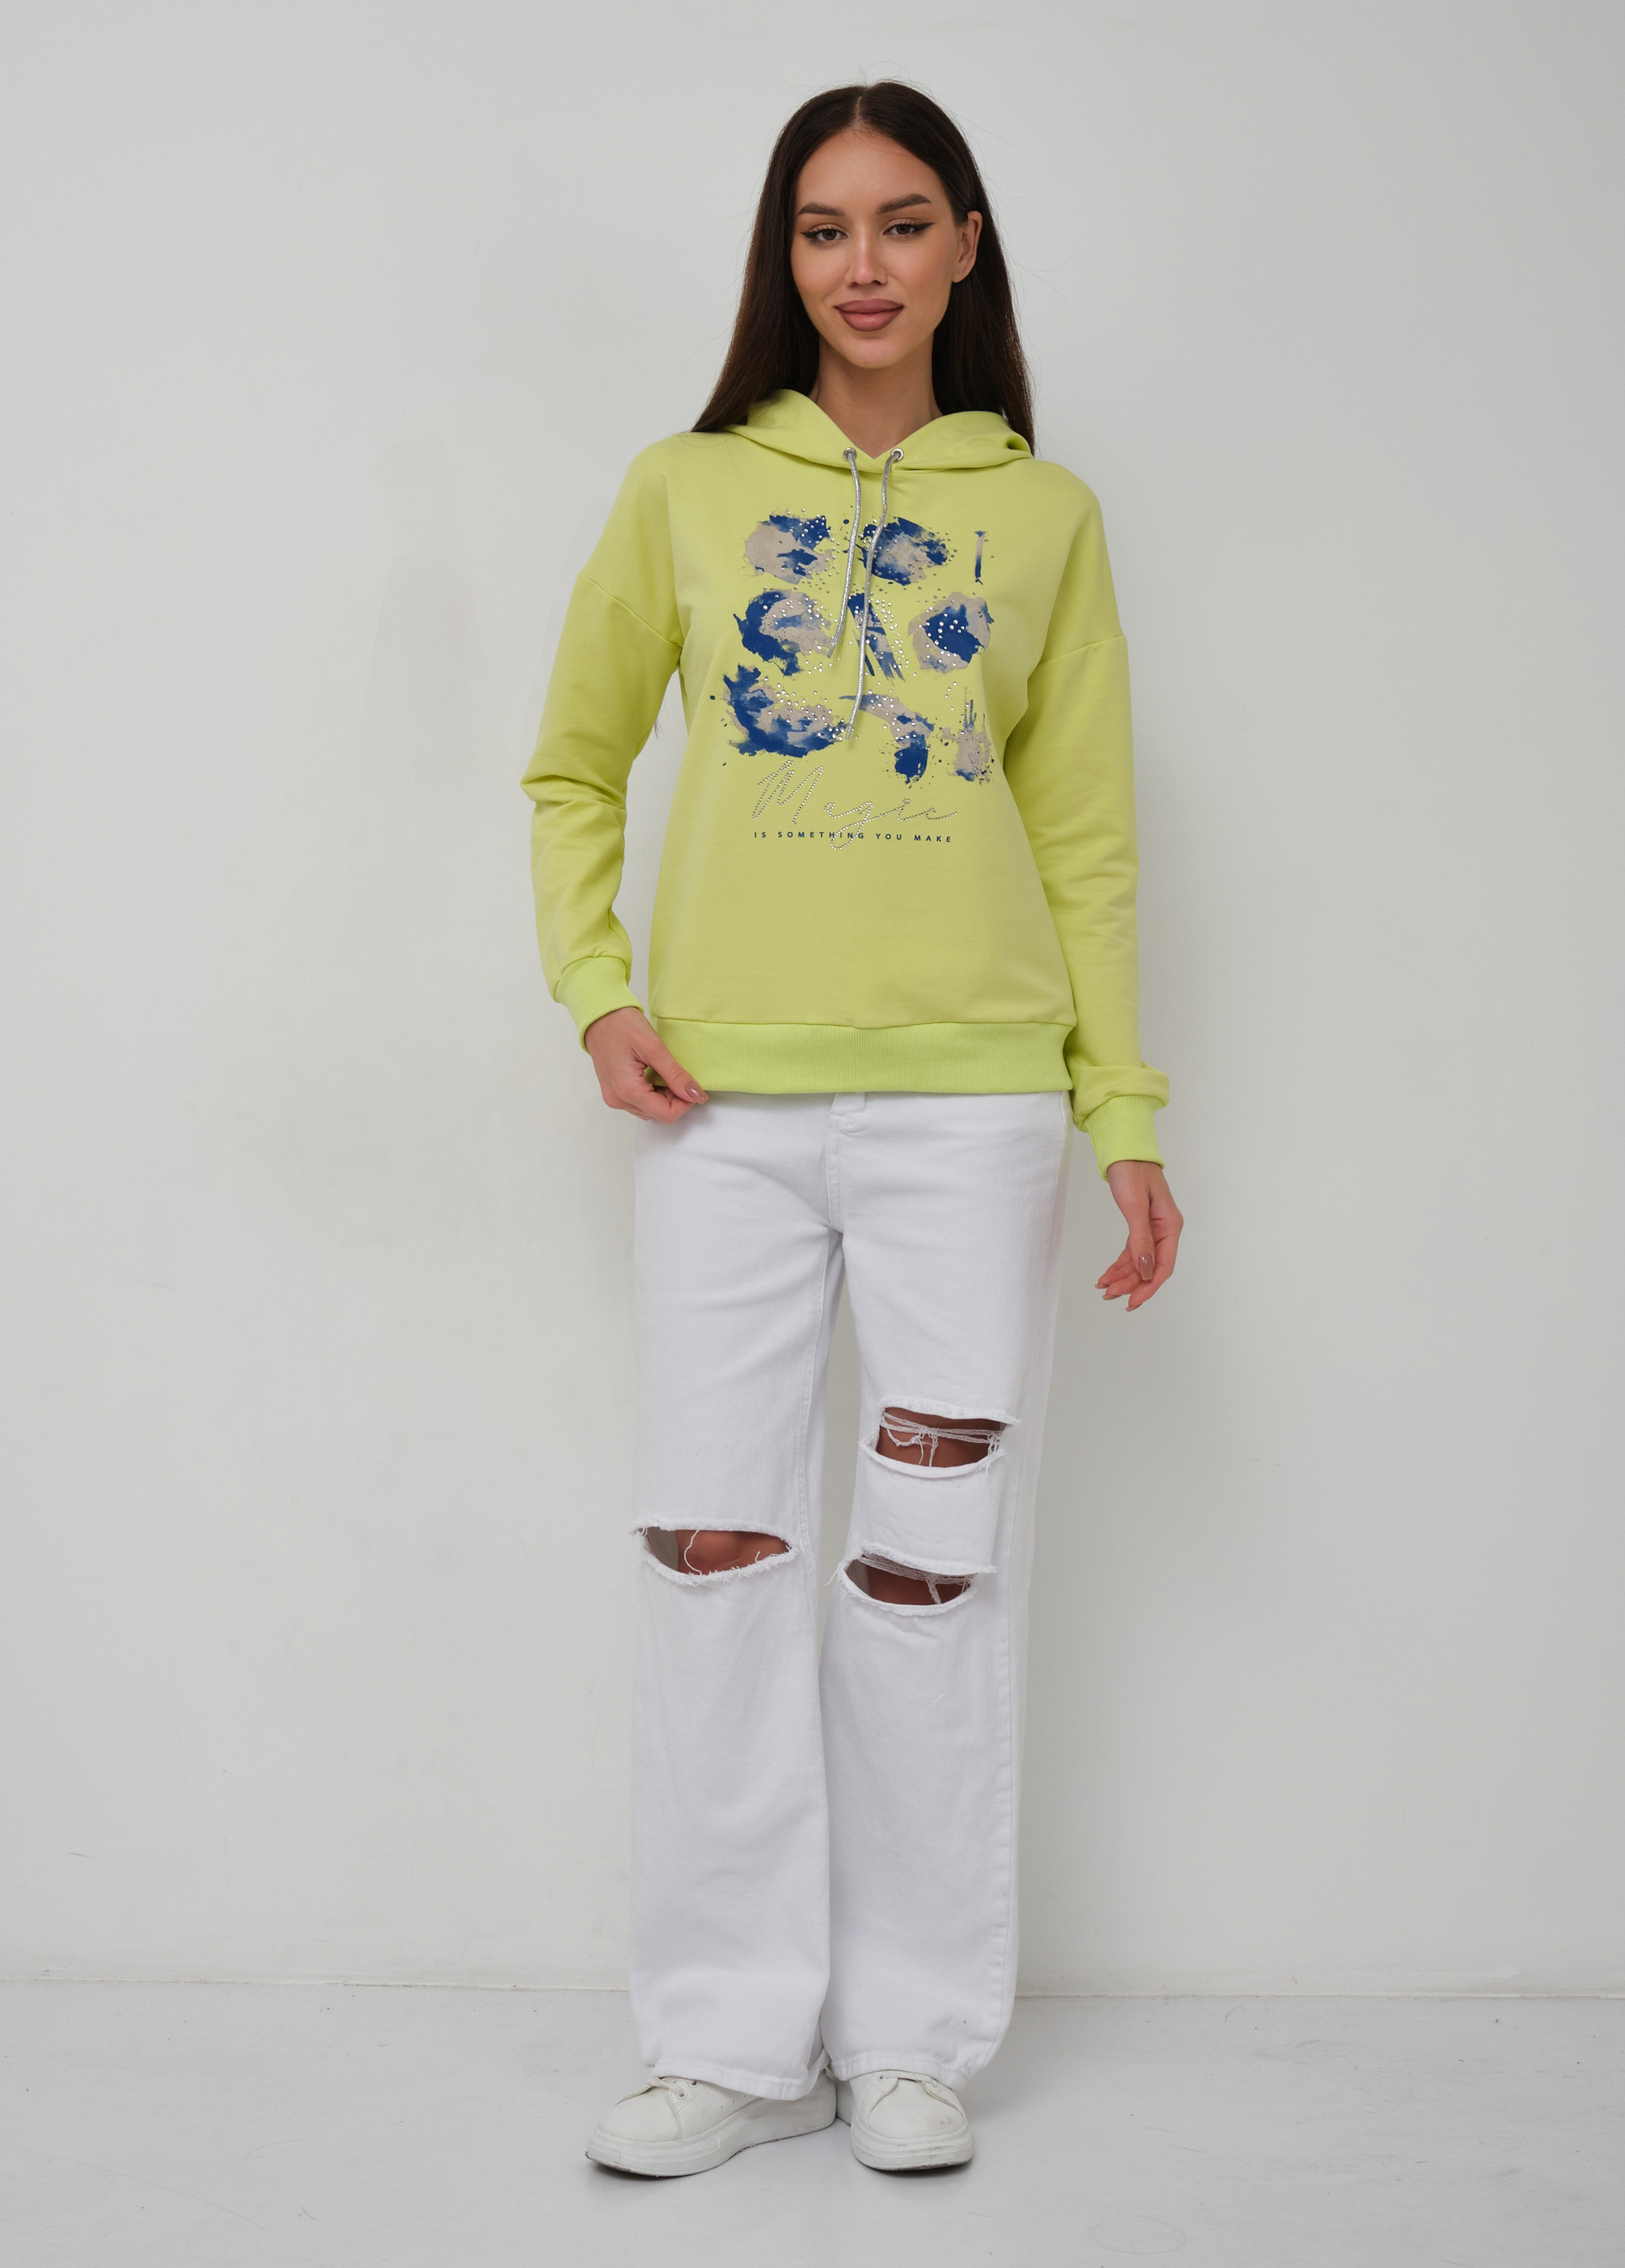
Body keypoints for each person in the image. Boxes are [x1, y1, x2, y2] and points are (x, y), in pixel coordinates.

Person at [522, 80, 1181, 2181]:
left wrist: (1120, 1106)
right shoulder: (685, 488)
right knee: (711, 1553)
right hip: (719, 1110)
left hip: (971, 1115)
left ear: (966, 245)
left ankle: (909, 2035)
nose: (863, 265)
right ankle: (730, 2043)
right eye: (822, 229)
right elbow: (570, 766)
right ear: (780, 256)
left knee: (927, 1568)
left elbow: (1084, 842)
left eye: (902, 222)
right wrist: (599, 991)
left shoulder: (1044, 516)